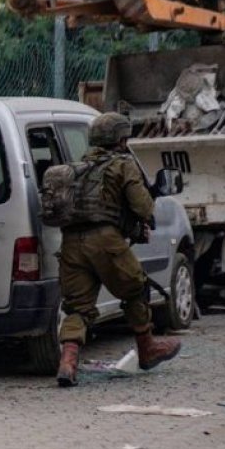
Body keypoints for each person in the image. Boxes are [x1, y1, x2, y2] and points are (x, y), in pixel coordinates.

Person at [53, 113, 181, 386]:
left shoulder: (75, 169)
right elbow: (144, 207)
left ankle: (67, 363)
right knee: (136, 289)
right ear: (121, 139)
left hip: (71, 243)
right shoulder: (122, 165)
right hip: (106, 241)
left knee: (77, 306)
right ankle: (147, 348)